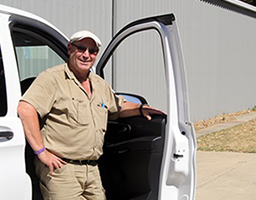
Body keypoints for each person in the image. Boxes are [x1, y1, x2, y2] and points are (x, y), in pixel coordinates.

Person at [17, 30, 165, 200]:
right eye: (81, 48)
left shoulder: (99, 84)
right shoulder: (52, 78)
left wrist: (140, 109)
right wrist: (41, 152)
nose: (86, 55)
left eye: (92, 51)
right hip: (62, 170)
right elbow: (26, 109)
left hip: (92, 169)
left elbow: (117, 106)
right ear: (70, 49)